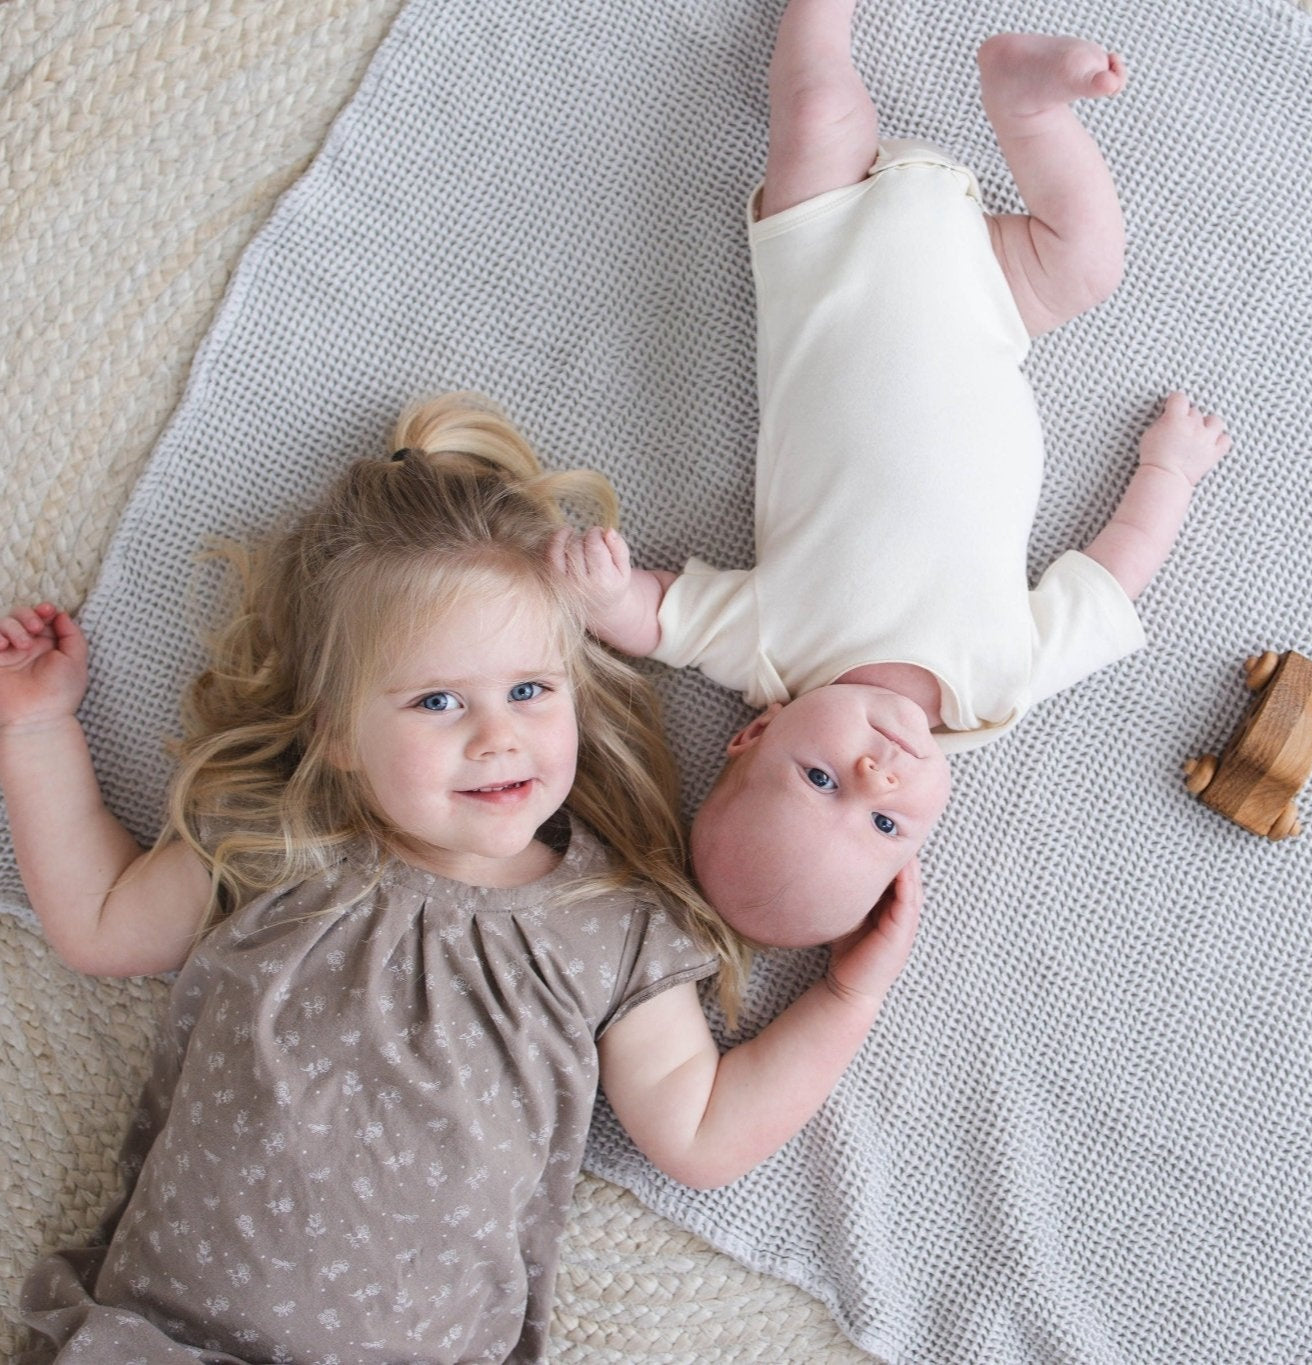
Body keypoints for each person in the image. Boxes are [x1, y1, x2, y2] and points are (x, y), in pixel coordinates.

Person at [0, 393, 921, 1364]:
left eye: (529, 690)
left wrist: (847, 998)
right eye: (438, 701)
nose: (496, 735)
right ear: (336, 732)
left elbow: (699, 1131)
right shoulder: (286, 840)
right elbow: (99, 921)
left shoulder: (607, 922)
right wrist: (35, 731)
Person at [553, 4, 1232, 949]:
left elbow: (657, 618)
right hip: (992, 299)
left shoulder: (773, 655)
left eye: (819, 779)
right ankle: (1025, 105)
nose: (876, 775)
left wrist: (599, 596)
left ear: (756, 734)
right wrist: (1170, 469)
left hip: (824, 249)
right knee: (1089, 261)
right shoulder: (1000, 684)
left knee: (817, 106)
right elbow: (1114, 578)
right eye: (883, 823)